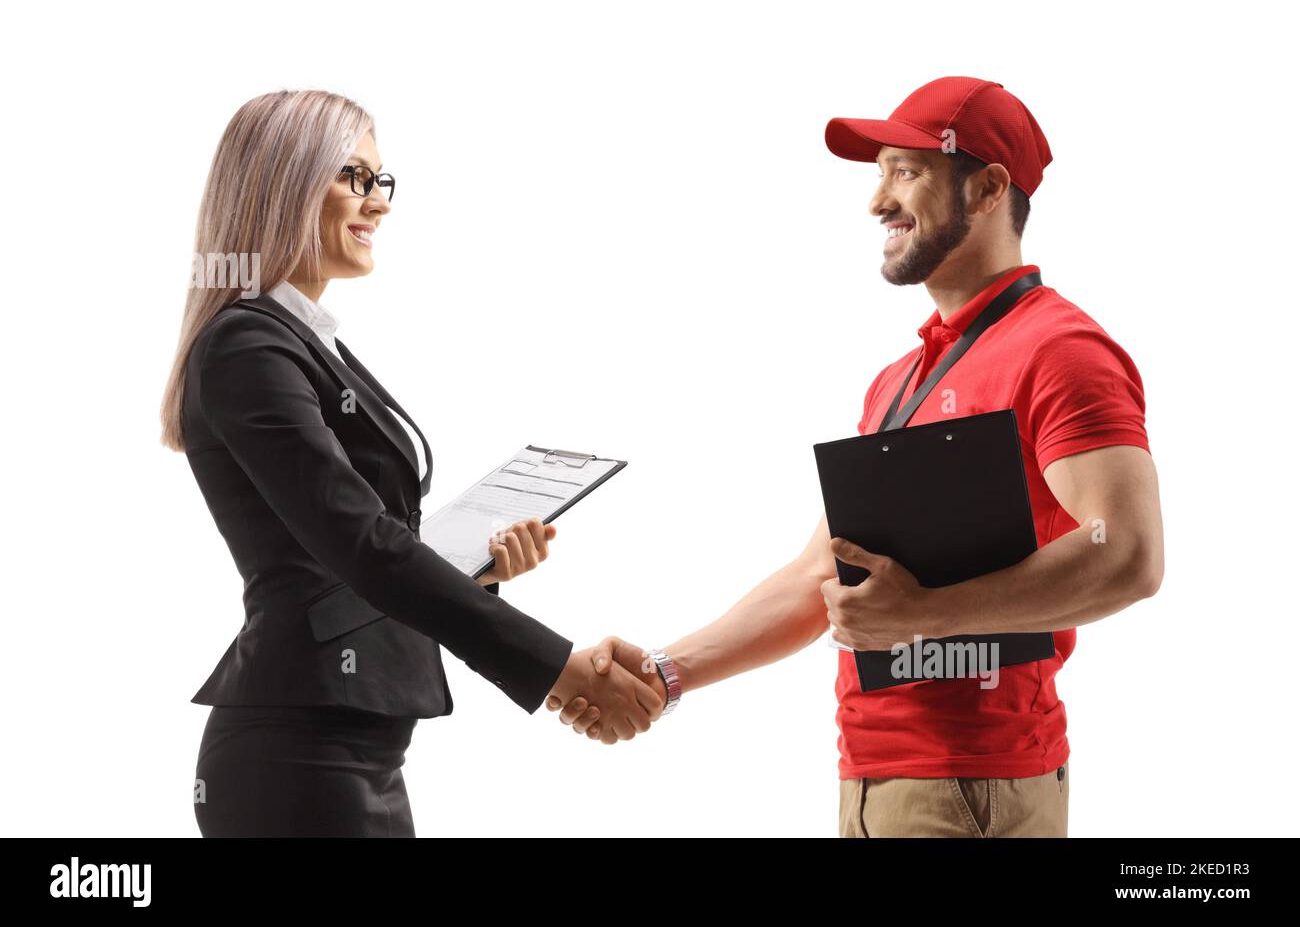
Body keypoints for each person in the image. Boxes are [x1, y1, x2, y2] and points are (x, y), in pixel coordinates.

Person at [554, 77, 1165, 838]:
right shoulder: (899, 382)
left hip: (978, 784)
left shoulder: (1060, 350)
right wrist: (665, 672)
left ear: (988, 187)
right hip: (873, 782)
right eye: (878, 173)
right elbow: (822, 580)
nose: (877, 201)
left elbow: (1130, 554)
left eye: (905, 172)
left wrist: (926, 616)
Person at [161, 89, 662, 837]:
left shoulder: (300, 341)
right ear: (286, 183)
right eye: (354, 177)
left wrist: (471, 568)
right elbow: (360, 543)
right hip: (299, 761)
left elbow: (355, 552)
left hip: (349, 754)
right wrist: (556, 668)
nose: (379, 203)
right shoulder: (248, 345)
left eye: (379, 180)